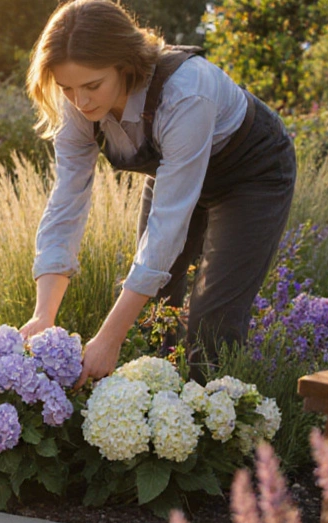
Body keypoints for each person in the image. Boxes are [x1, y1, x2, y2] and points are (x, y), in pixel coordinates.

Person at [17, 0, 296, 386]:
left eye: (92, 86)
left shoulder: (185, 93)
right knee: (158, 308)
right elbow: (66, 203)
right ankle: (155, 410)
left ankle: (213, 425)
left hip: (251, 176)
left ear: (124, 63)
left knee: (212, 319)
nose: (80, 102)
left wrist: (109, 338)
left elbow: (166, 230)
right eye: (67, 88)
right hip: (173, 172)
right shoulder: (78, 106)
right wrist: (43, 315)